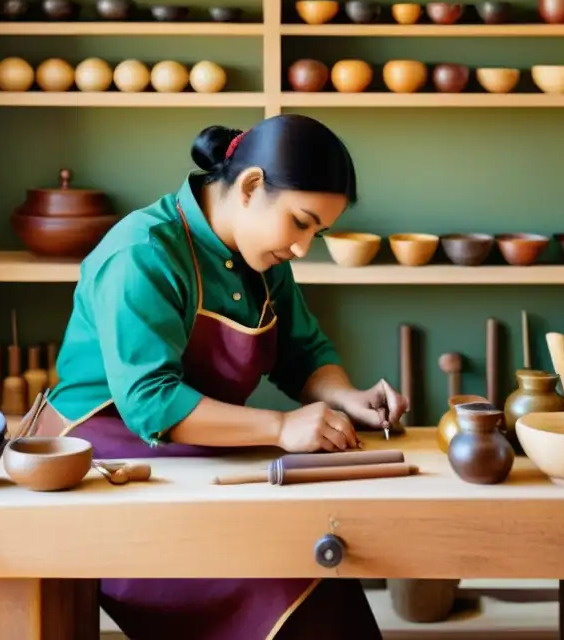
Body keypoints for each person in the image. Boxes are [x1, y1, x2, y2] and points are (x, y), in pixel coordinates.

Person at [29, 113, 409, 640]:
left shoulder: (263, 252)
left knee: (324, 567)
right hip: (103, 471)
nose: (303, 247)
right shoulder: (143, 250)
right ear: (251, 186)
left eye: (317, 233)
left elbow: (302, 352)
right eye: (300, 223)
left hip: (194, 462)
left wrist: (348, 398)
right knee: (279, 590)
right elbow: (152, 404)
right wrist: (280, 429)